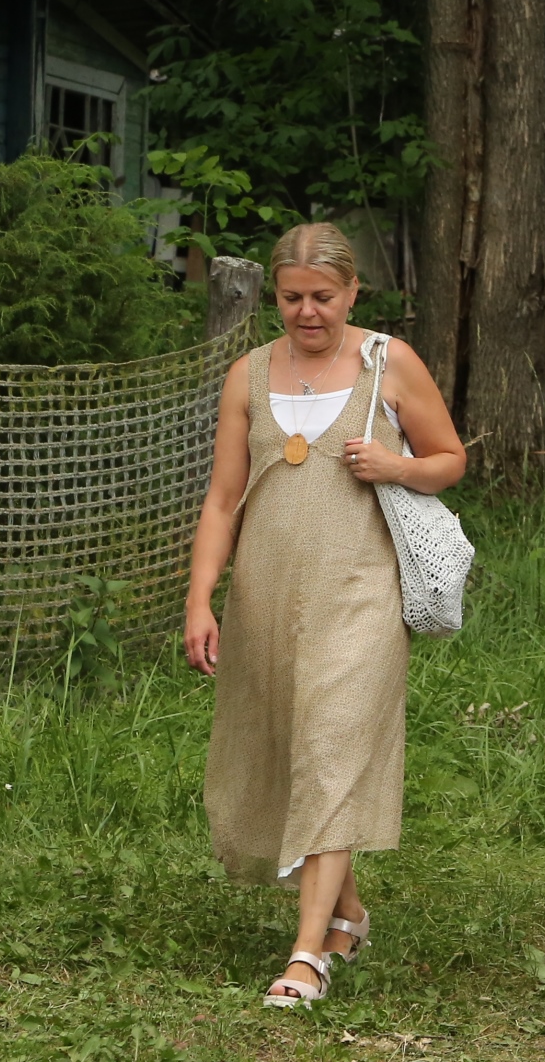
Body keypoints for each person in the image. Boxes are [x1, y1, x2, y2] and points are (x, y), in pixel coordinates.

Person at [186, 222, 469, 1010]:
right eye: (291, 298)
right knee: (291, 751)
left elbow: (450, 460)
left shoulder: (389, 363)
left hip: (361, 595)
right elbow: (222, 500)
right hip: (266, 596)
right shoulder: (247, 375)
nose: (307, 312)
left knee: (333, 747)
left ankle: (307, 955)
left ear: (352, 293)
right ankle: (347, 914)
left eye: (322, 296)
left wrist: (397, 465)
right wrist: (200, 598)